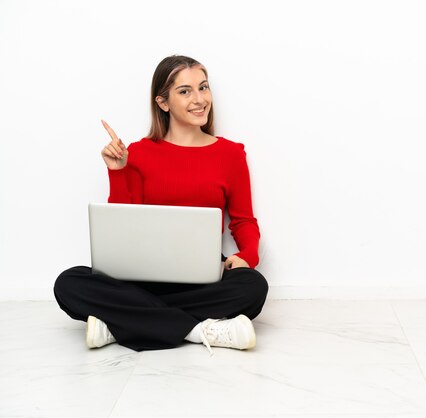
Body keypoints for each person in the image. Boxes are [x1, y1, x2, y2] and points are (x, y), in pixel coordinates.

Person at [53, 55, 268, 354]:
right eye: (185, 91)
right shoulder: (138, 153)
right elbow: (122, 222)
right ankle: (200, 330)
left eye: (203, 88)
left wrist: (247, 255)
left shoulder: (231, 154)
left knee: (253, 287)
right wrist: (118, 172)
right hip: (144, 275)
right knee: (68, 283)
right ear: (163, 103)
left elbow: (243, 220)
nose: (199, 99)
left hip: (202, 275)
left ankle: (118, 324)